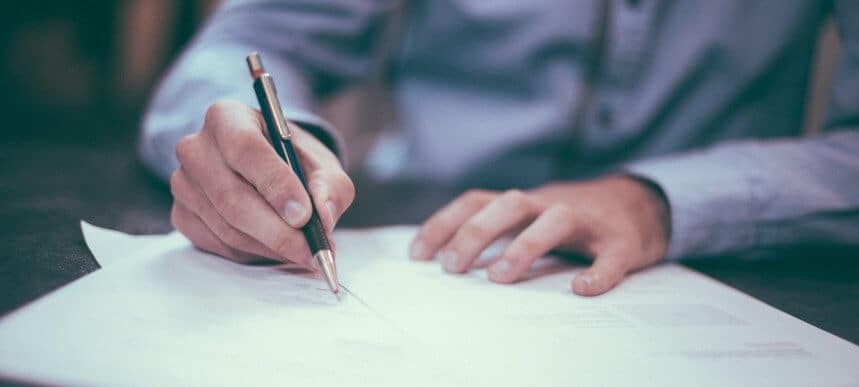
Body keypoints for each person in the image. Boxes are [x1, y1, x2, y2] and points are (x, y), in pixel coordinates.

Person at [140, 0, 859, 296]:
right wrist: (267, 149)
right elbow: (245, 44)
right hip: (423, 245)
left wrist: (660, 200)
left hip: (725, 271)